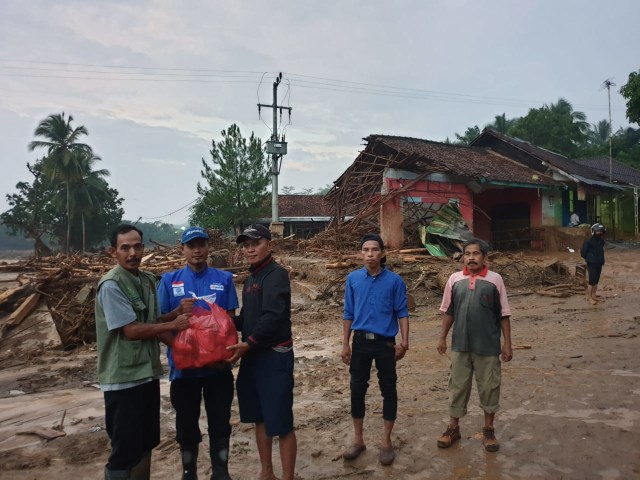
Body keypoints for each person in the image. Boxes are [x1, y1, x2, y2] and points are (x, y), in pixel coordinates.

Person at [95, 224, 191, 480]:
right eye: (125, 247)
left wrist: (175, 313)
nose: (132, 253)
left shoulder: (147, 279)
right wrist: (174, 324)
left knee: (146, 442)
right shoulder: (111, 285)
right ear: (113, 251)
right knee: (124, 450)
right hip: (123, 379)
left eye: (137, 246)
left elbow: (154, 320)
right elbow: (131, 330)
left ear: (144, 248)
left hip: (147, 374)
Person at [157, 227, 239, 480]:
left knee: (220, 422)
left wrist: (223, 352)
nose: (197, 250)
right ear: (182, 249)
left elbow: (231, 322)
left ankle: (221, 471)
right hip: (184, 371)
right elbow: (159, 324)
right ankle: (188, 472)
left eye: (201, 244)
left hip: (217, 370)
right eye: (191, 245)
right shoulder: (169, 281)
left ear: (208, 248)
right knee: (186, 425)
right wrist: (182, 349)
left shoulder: (223, 279)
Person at [226, 224, 297, 480]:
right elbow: (247, 318)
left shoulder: (276, 275)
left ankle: (287, 476)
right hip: (253, 355)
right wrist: (222, 320)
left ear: (270, 244)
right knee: (259, 417)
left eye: (255, 243)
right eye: (245, 245)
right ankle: (266, 471)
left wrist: (248, 343)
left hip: (273, 356)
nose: (250, 249)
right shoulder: (253, 278)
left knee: (282, 422)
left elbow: (273, 316)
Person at [436, 238, 512, 453]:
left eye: (476, 253)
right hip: (460, 345)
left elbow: (504, 315)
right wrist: (442, 337)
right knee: (457, 387)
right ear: (463, 257)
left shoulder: (495, 280)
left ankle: (488, 429)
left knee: (489, 387)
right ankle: (453, 428)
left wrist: (507, 344)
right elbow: (449, 312)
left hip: (488, 347)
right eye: (467, 254)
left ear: (484, 257)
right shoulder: (454, 279)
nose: (471, 257)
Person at [341, 233, 409, 466]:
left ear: (382, 253)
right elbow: (348, 313)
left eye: (374, 250)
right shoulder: (352, 280)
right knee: (356, 389)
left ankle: (386, 442)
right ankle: (358, 440)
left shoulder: (395, 281)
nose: (370, 254)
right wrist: (344, 343)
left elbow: (402, 312)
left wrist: (405, 342)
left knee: (388, 389)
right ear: (361, 254)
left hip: (385, 343)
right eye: (366, 250)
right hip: (359, 343)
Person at [580, 223, 606, 305]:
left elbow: (601, 251)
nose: (599, 233)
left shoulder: (601, 241)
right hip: (591, 264)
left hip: (599, 263)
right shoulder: (588, 242)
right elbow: (583, 253)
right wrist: (589, 259)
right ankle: (589, 298)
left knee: (596, 280)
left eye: (600, 231)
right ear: (593, 232)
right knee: (592, 280)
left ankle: (594, 295)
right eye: (597, 231)